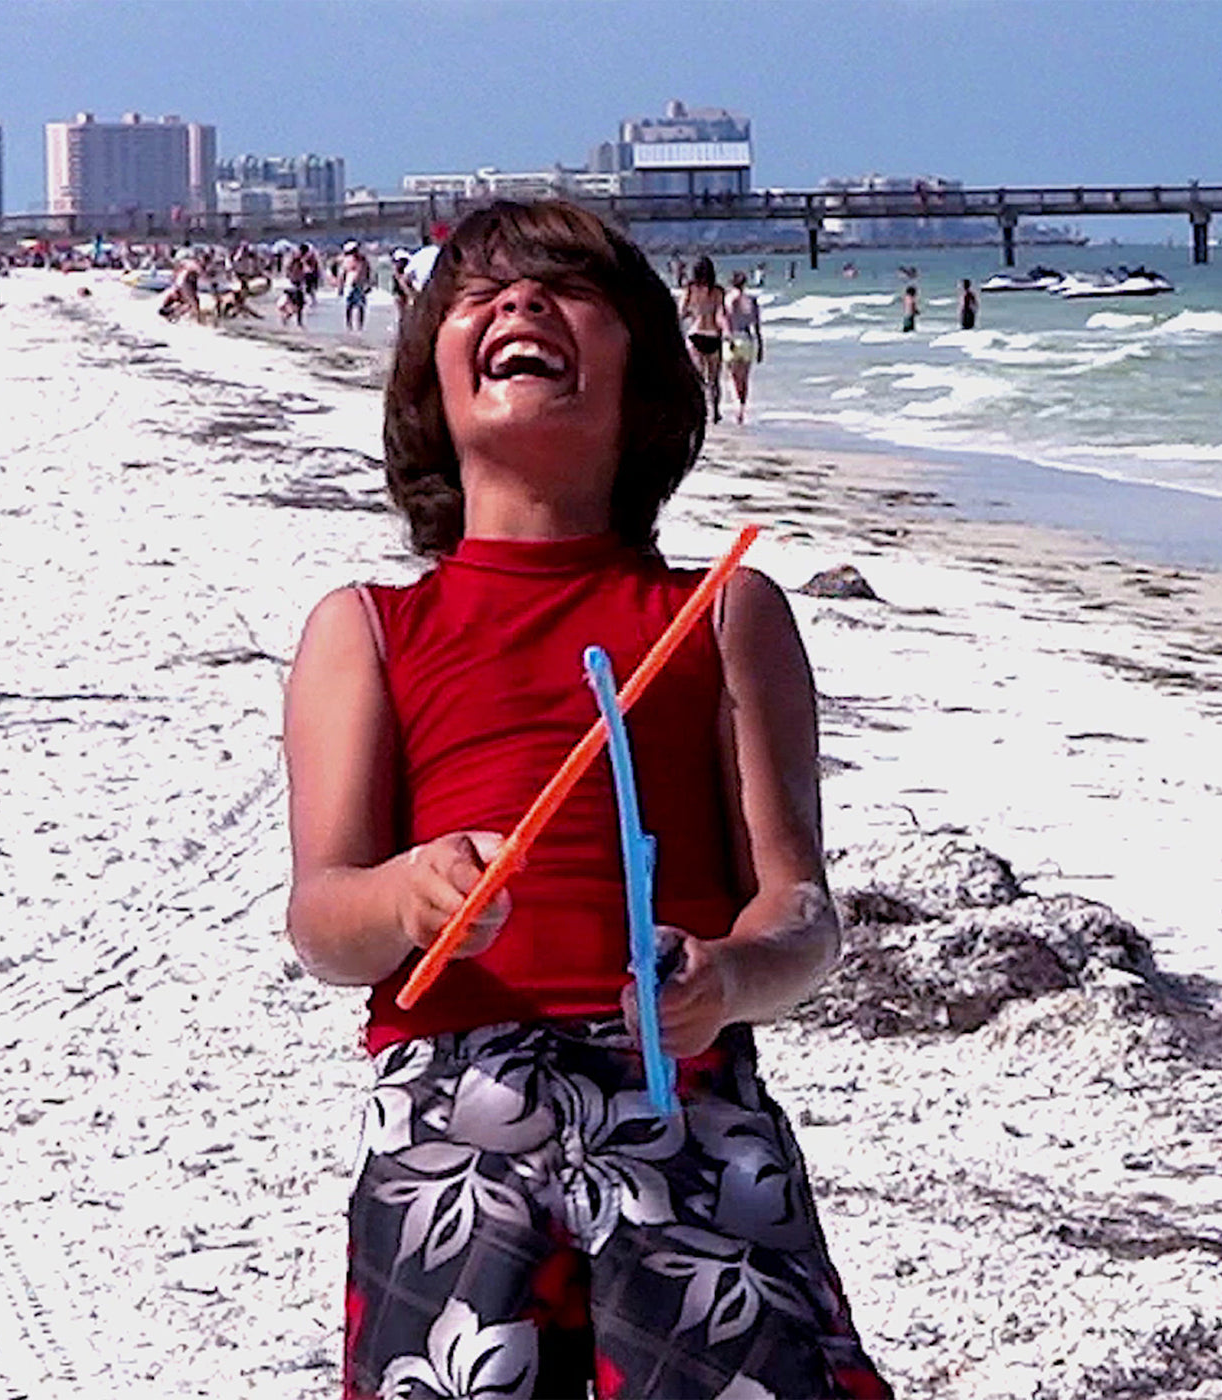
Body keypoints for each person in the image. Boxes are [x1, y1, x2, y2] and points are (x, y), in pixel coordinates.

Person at [284, 199, 892, 1400]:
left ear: (648, 381)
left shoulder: (723, 611)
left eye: (565, 289)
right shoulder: (366, 629)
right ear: (428, 390)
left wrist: (728, 979)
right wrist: (409, 892)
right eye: (477, 294)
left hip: (687, 1105)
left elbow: (800, 908)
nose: (515, 304)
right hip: (452, 1119)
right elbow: (321, 921)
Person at [679, 254, 726, 424]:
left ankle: (699, 412)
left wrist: (692, 312)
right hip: (713, 336)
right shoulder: (718, 290)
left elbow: (681, 311)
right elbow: (721, 313)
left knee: (697, 378)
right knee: (714, 380)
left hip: (695, 334)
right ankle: (715, 412)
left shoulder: (690, 289)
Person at [723, 269, 763, 425]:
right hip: (747, 339)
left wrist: (728, 339)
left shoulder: (727, 299)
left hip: (732, 339)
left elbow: (725, 322)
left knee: (733, 379)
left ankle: (737, 407)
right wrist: (760, 346)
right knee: (744, 379)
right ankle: (742, 408)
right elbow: (757, 326)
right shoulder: (752, 301)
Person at [338, 240, 374, 331]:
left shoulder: (363, 260)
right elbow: (342, 274)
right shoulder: (347, 260)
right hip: (350, 285)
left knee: (361, 306)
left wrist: (369, 283)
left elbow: (368, 271)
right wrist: (340, 287)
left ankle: (360, 327)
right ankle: (349, 326)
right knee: (349, 306)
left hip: (360, 285)